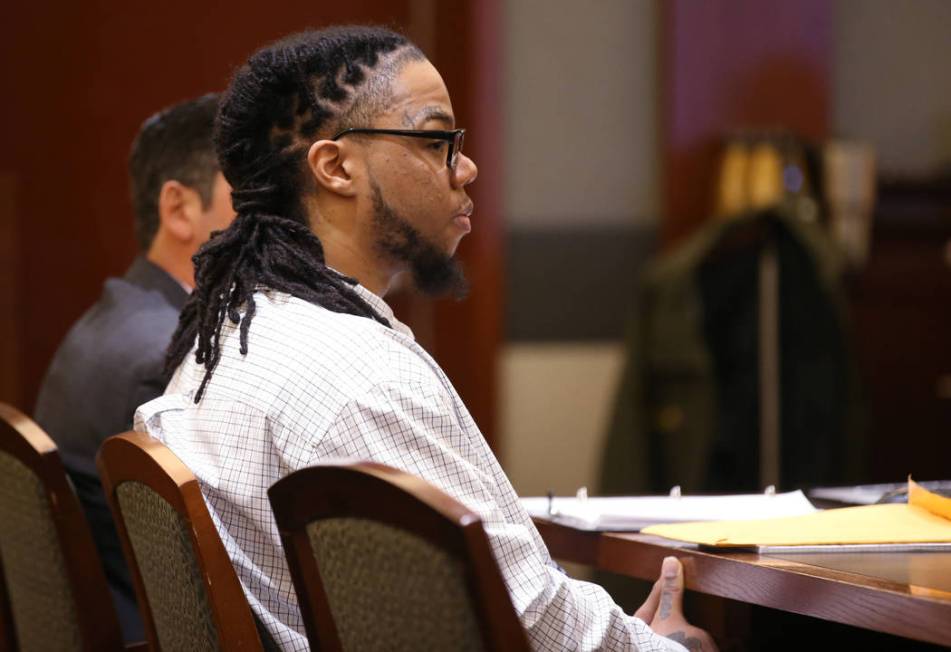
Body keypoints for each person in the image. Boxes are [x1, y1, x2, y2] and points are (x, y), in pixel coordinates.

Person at [135, 26, 716, 651]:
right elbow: (515, 617)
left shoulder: (229, 339)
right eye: (437, 139)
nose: (466, 167)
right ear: (335, 167)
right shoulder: (358, 382)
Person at [34, 94, 236, 642]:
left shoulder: (111, 316)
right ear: (179, 209)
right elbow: (210, 581)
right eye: (251, 193)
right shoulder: (164, 358)